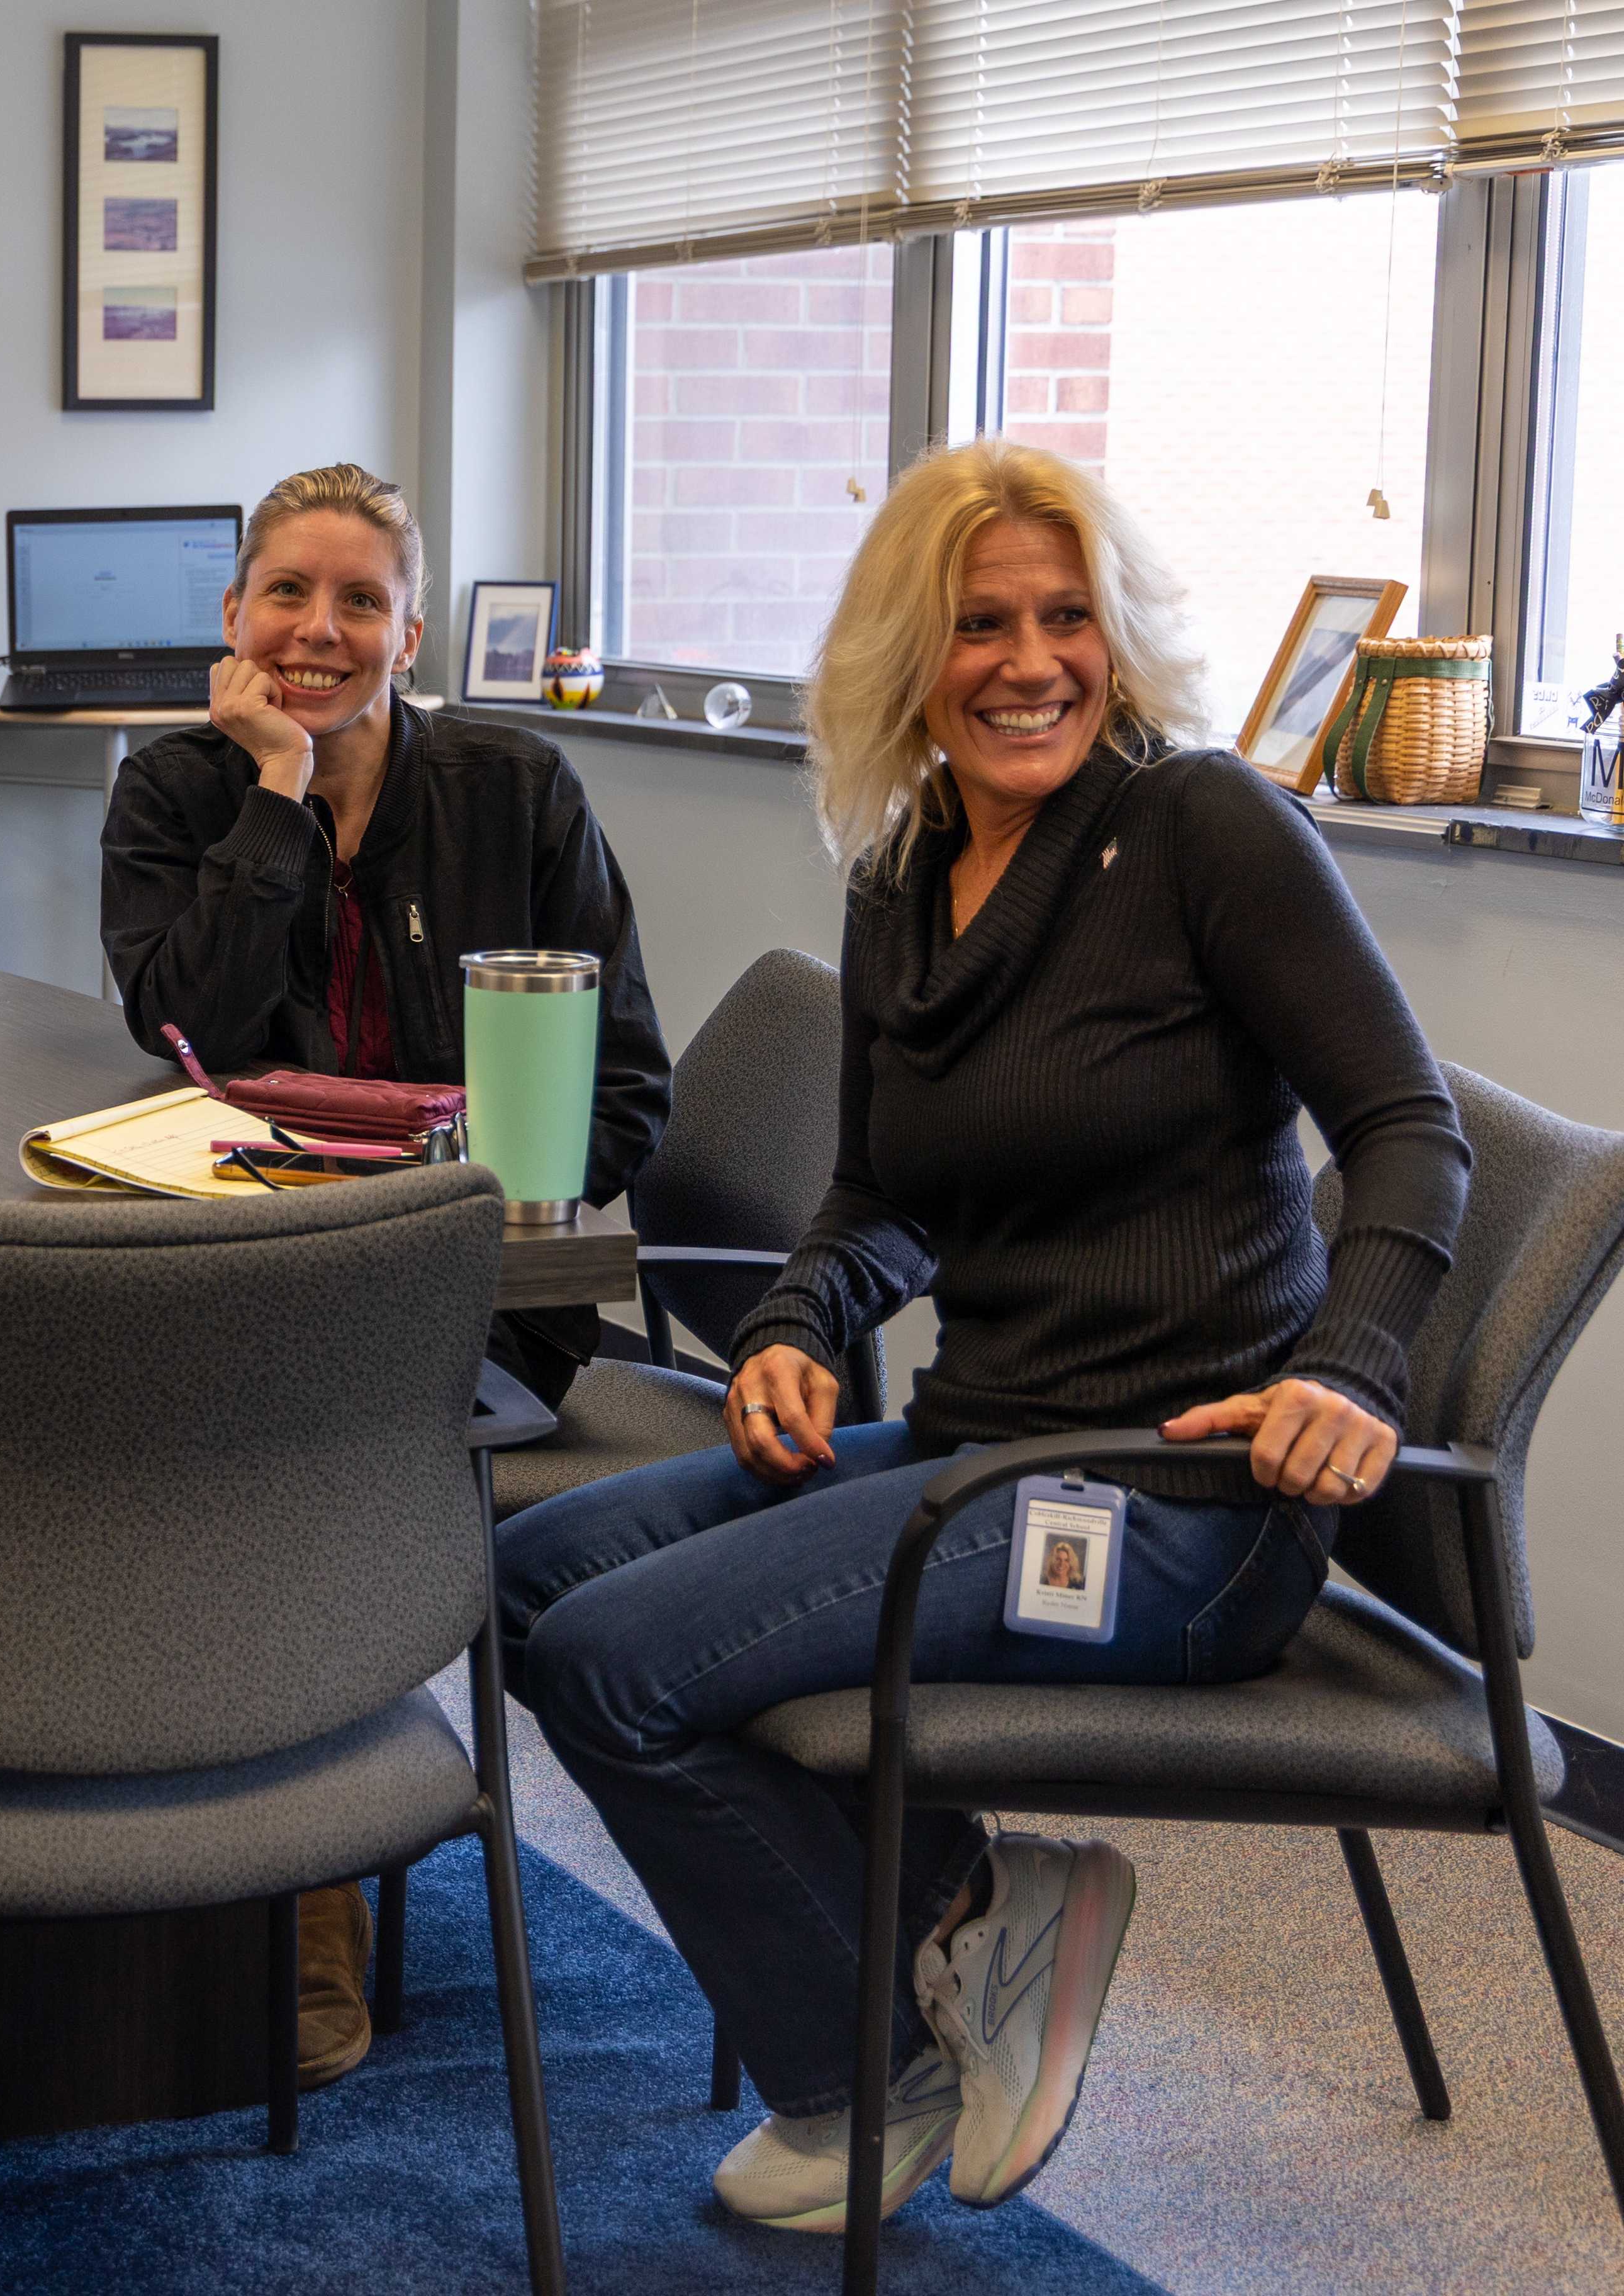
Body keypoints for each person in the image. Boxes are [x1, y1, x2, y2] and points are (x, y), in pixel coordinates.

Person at [492, 438, 1469, 2234]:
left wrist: (1353, 1365)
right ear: (907, 660)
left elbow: (1412, 1130)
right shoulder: (906, 869)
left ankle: (865, 2076)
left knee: (624, 1669)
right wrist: (795, 1324)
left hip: (1179, 1504)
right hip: (987, 1448)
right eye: (979, 624)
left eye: (1066, 618)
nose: (1030, 662)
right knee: (532, 1577)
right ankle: (976, 1908)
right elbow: (884, 1195)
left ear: (1119, 638)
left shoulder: (1204, 829)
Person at [99, 462, 674, 2089]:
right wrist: (274, 797)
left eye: (361, 600)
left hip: (469, 1303)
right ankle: (144, 1878)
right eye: (288, 593)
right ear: (231, 621)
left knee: (264, 1462)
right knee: (118, 1423)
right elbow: (180, 1028)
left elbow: (629, 1097)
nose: (320, 629)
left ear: (412, 629)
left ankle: (303, 1905)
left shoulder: (521, 794)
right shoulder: (172, 796)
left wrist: (431, 1193)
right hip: (252, 1285)